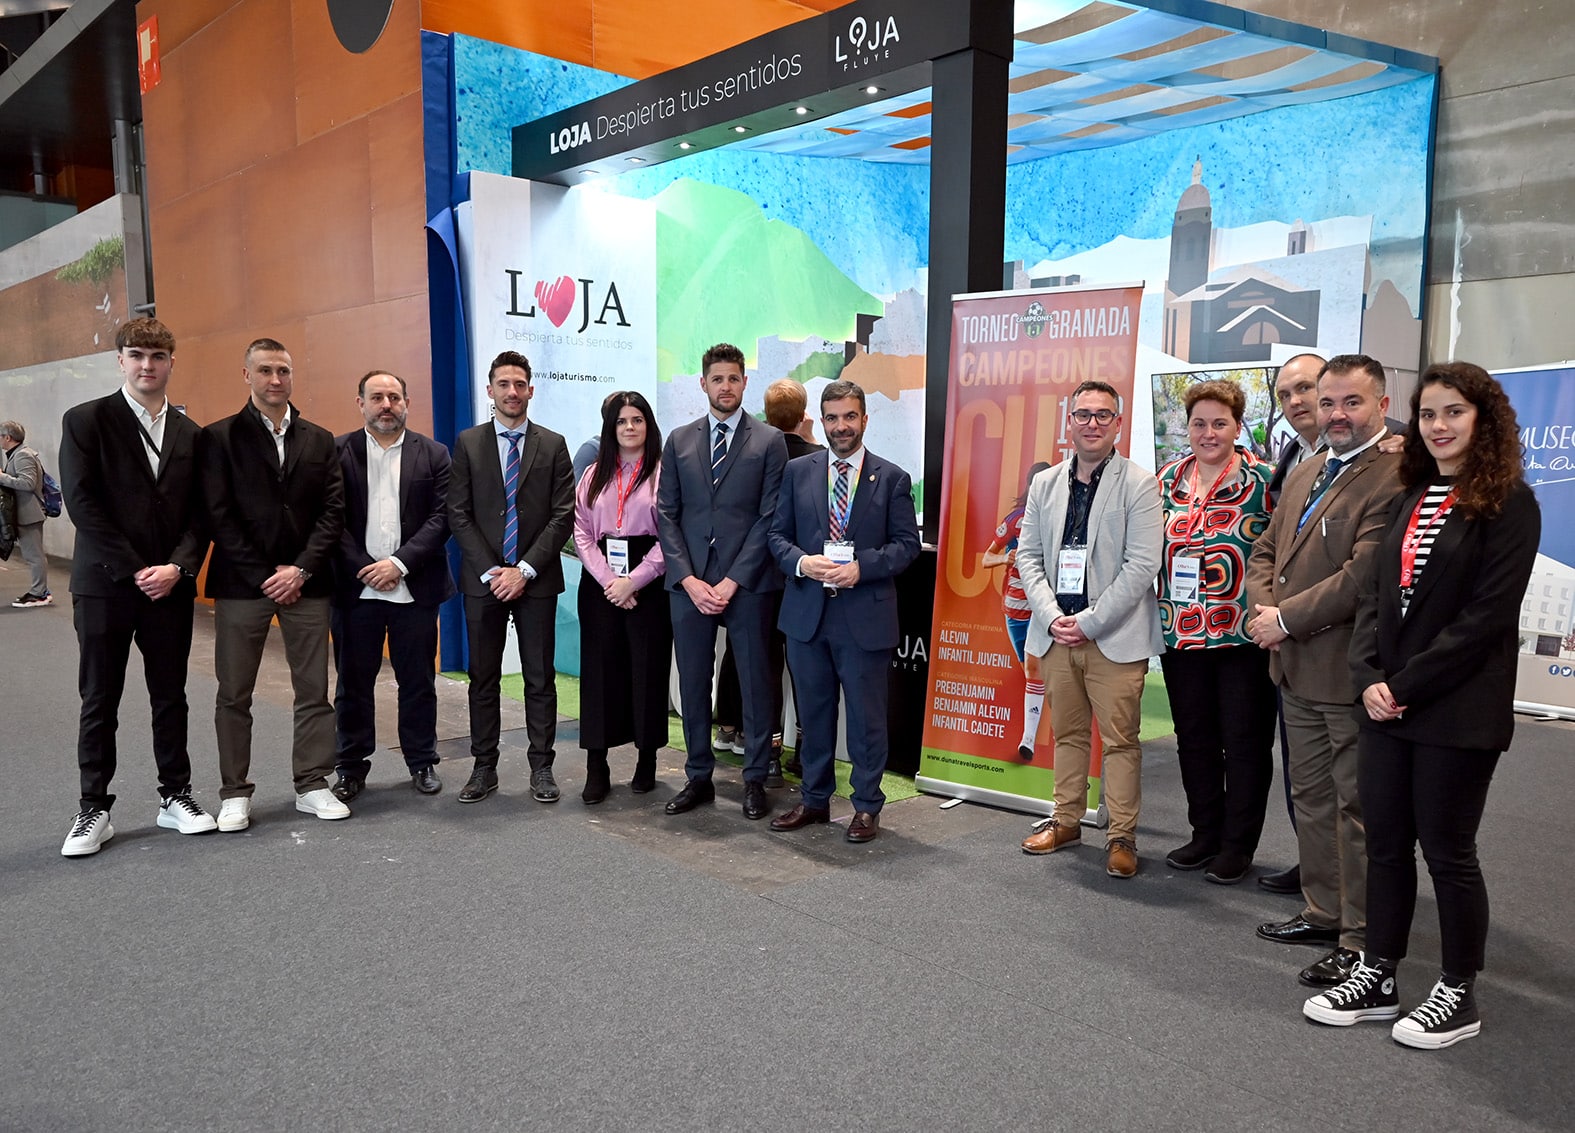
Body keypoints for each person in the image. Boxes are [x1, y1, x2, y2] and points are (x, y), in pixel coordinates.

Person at [1304, 362, 1539, 1049]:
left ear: (1482, 419)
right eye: (1429, 414)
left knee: (1447, 851)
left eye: (1453, 412)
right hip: (1385, 704)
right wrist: (1369, 676)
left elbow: (1484, 618)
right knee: (1384, 846)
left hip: (1455, 710)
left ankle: (1457, 989)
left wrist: (1401, 685)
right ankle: (1377, 973)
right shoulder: (1411, 498)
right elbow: (1376, 600)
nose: (1438, 426)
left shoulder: (1510, 503)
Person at [1246, 354, 1404, 989]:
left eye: (1351, 403)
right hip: (1295, 670)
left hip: (1345, 672)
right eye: (1329, 402)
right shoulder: (1308, 467)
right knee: (1310, 800)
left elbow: (1361, 578)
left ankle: (1360, 938)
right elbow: (1265, 547)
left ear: (1381, 407)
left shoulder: (1394, 477)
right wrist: (1265, 607)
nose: (1337, 414)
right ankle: (1322, 911)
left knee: (1355, 808)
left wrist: (1282, 618)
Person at [55, 317, 215, 856]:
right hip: (104, 586)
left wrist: (177, 567)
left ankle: (176, 796)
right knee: (100, 698)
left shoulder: (193, 435)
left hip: (169, 588)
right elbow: (82, 504)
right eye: (137, 356)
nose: (148, 365)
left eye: (158, 356)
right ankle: (93, 808)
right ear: (120, 361)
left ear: (171, 362)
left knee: (171, 696)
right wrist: (134, 570)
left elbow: (203, 514)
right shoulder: (86, 421)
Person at [1016, 381, 1163, 878]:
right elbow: (1028, 557)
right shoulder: (1045, 484)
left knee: (1121, 741)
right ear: (1069, 423)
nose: (1093, 423)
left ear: (1118, 424)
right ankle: (1066, 820)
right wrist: (1051, 614)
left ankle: (1121, 835)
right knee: (1069, 734)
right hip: (1055, 632)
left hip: (1113, 637)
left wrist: (1091, 621)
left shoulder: (1140, 484)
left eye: (1104, 415)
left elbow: (1142, 565)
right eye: (1083, 415)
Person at [202, 338, 348, 829]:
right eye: (264, 370)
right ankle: (234, 792)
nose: (275, 379)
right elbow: (218, 516)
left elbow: (333, 512)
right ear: (246, 376)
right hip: (245, 585)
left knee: (314, 689)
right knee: (234, 691)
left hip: (308, 582)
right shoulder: (218, 438)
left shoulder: (319, 438)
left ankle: (311, 782)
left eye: (283, 370)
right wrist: (267, 575)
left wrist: (300, 569)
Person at [767, 380, 920, 842]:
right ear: (822, 420)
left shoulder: (891, 477)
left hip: (863, 616)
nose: (840, 427)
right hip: (807, 616)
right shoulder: (798, 472)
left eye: (849, 417)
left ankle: (867, 806)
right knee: (812, 716)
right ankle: (814, 799)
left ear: (865, 420)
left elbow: (906, 546)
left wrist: (862, 568)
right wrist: (799, 561)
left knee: (866, 719)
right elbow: (776, 537)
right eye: (832, 418)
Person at [657, 342, 789, 821]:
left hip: (749, 584)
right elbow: (666, 514)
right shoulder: (679, 440)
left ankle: (755, 779)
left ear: (744, 383)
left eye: (734, 378)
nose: (726, 386)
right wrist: (688, 578)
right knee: (693, 682)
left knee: (756, 684)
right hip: (689, 584)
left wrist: (733, 579)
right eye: (718, 379)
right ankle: (698, 776)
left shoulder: (769, 441)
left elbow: (769, 517)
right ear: (703, 383)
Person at [1155, 381, 1276, 885]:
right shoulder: (1165, 480)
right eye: (1199, 423)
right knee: (1194, 740)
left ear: (1237, 426)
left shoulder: (1265, 479)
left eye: (1219, 423)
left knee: (1245, 743)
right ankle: (1204, 833)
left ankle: (1237, 844)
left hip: (1243, 636)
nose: (1208, 433)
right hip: (1180, 633)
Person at [448, 350, 575, 805]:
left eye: (520, 384)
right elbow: (457, 513)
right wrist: (492, 571)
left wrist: (522, 570)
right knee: (483, 678)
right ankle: (484, 768)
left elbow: (562, 516)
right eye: (504, 384)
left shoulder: (553, 444)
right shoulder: (468, 443)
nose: (512, 392)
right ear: (490, 390)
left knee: (540, 678)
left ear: (531, 390)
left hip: (534, 580)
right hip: (482, 582)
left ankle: (542, 768)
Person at [329, 370, 455, 802]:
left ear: (407, 402)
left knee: (417, 681)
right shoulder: (336, 453)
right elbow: (330, 521)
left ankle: (422, 762)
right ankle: (350, 767)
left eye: (395, 397)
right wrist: (367, 568)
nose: (387, 404)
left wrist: (398, 564)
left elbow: (443, 519)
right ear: (359, 402)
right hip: (355, 589)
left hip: (414, 588)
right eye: (377, 397)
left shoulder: (435, 454)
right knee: (352, 683)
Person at [713, 378, 823, 777]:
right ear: (806, 413)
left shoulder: (750, 453)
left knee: (756, 661)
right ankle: (802, 745)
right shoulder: (817, 459)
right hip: (798, 582)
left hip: (754, 579)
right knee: (797, 668)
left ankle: (745, 737)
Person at [572, 391, 671, 803]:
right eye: (621, 422)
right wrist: (611, 580)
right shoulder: (592, 473)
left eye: (637, 420)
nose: (629, 428)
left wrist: (636, 580)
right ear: (609, 429)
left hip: (649, 581)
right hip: (600, 582)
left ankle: (646, 760)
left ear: (648, 425)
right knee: (598, 673)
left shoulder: (666, 473)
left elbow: (672, 537)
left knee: (647, 670)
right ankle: (597, 766)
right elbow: (580, 532)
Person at [982, 460, 1051, 760]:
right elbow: (986, 558)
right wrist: (1005, 560)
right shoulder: (1015, 520)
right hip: (1015, 609)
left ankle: (1029, 740)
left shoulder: (1061, 516)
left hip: (1045, 607)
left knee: (1035, 669)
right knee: (1029, 670)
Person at [0, 420, 51, 607]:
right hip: (23, 513)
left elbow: (27, 484)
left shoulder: (23, 456)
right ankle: (40, 590)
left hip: (29, 514)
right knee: (33, 555)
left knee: (34, 556)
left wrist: (1, 477)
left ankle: (39, 593)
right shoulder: (17, 454)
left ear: (8, 437)